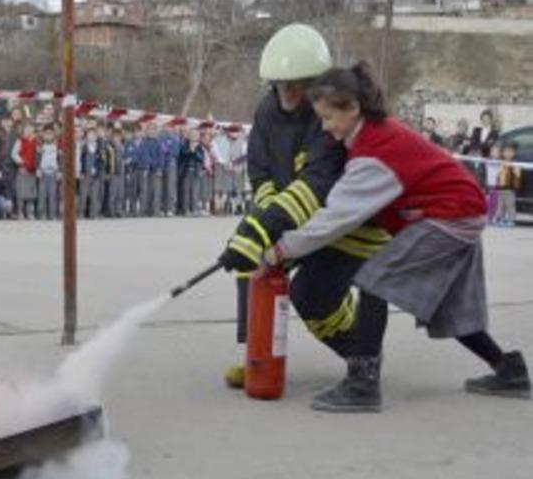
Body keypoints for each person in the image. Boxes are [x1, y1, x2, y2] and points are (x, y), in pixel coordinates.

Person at [251, 62, 530, 403]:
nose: (324, 128)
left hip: (449, 215)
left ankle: (363, 384)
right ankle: (509, 370)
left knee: (374, 280)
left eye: (328, 118)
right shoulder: (373, 133)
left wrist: (279, 250)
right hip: (461, 211)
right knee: (448, 306)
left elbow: (334, 218)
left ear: (352, 108)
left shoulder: (373, 152)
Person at [217, 23, 391, 406]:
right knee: (253, 266)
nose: (289, 94)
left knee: (311, 297)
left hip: (343, 225)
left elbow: (316, 185)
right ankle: (256, 357)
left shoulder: (326, 116)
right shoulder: (266, 111)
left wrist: (263, 228)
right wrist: (262, 221)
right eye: (281, 85)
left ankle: (362, 359)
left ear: (317, 84)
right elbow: (261, 171)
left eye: (298, 85)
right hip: (292, 214)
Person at [12, 123, 39, 219]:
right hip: (23, 169)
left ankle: (30, 213)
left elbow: (38, 154)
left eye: (30, 129)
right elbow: (14, 154)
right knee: (21, 192)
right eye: (26, 129)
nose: (28, 131)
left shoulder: (37, 141)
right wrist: (21, 162)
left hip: (33, 169)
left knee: (31, 192)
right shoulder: (20, 141)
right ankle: (20, 212)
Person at [79, 128, 105, 219]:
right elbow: (81, 160)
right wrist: (81, 171)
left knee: (95, 195)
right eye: (89, 135)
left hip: (95, 175)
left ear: (96, 137)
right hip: (85, 173)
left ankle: (93, 214)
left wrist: (98, 169)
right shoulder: (84, 147)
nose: (91, 137)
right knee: (83, 195)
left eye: (93, 135)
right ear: (86, 137)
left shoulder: (99, 147)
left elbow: (102, 161)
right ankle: (81, 213)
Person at [494, 141, 522, 227]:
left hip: (510, 188)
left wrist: (515, 172)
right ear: (502, 153)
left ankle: (511, 219)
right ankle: (500, 219)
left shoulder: (515, 163)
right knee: (500, 205)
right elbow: (497, 175)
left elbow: (518, 176)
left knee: (510, 205)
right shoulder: (500, 162)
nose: (508, 153)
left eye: (510, 151)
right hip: (501, 188)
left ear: (514, 153)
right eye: (506, 151)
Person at [178, 128, 205, 216]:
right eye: (192, 134)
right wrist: (190, 151)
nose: (194, 136)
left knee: (195, 191)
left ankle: (194, 209)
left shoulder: (199, 146)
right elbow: (183, 154)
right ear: (189, 135)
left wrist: (195, 152)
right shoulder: (184, 144)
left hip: (195, 171)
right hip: (186, 170)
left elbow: (201, 158)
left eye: (195, 135)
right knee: (186, 191)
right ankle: (186, 210)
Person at [37, 125, 61, 220]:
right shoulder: (40, 146)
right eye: (46, 134)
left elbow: (60, 159)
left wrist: (60, 171)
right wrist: (38, 169)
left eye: (50, 134)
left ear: (54, 135)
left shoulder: (57, 146)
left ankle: (53, 214)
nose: (48, 136)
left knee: (53, 194)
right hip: (43, 172)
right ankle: (41, 214)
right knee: (42, 194)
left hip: (54, 171)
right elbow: (37, 158)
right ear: (43, 135)